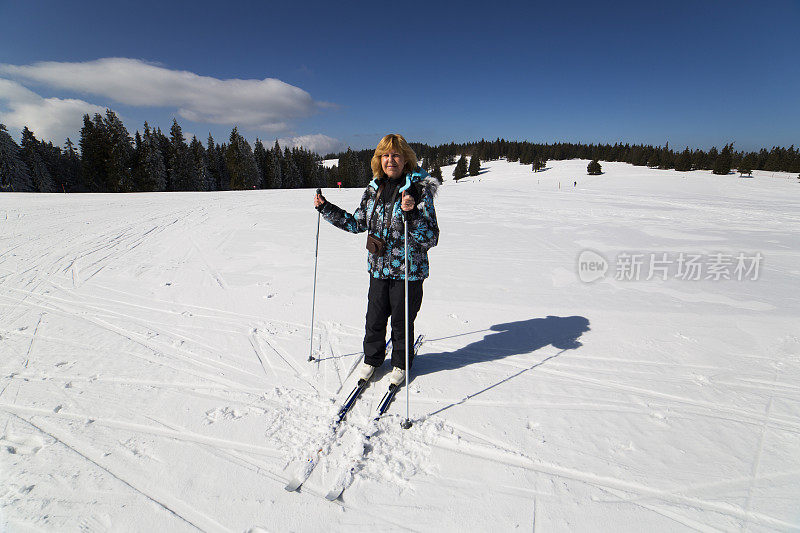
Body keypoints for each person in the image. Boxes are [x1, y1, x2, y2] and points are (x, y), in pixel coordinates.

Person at [313, 134, 439, 386]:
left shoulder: (418, 191)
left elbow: (431, 238)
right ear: (379, 160)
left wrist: (412, 213)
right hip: (379, 269)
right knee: (374, 318)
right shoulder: (373, 190)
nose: (390, 160)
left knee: (402, 322)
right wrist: (327, 208)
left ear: (406, 160)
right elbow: (358, 223)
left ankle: (401, 364)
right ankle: (372, 359)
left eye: (395, 155)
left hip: (408, 271)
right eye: (385, 155)